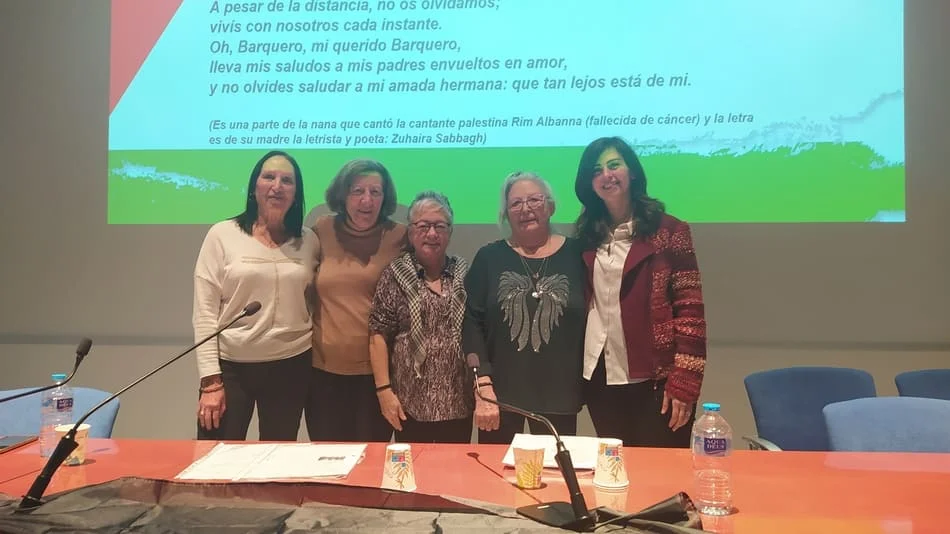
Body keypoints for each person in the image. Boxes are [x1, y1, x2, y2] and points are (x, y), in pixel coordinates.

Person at [574, 136, 707, 448]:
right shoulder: (586, 237)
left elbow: (691, 312)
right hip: (601, 379)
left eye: (614, 165)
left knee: (661, 480)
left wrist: (685, 382)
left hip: (657, 382)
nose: (606, 175)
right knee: (614, 474)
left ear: (631, 171)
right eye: (596, 170)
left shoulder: (670, 231)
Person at [193, 150, 318, 441]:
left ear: (296, 192)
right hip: (232, 369)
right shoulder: (222, 235)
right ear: (254, 186)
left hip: (291, 366)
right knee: (215, 461)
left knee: (277, 462)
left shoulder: (309, 240)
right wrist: (210, 382)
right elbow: (204, 313)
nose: (277, 186)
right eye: (269, 177)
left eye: (287, 180)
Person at [463, 171, 587, 445]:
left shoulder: (580, 255)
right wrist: (482, 386)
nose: (526, 209)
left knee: (555, 480)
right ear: (506, 214)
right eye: (516, 203)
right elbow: (472, 323)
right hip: (500, 399)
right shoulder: (489, 258)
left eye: (534, 200)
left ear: (551, 206)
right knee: (496, 481)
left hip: (560, 396)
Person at [306, 159, 407, 442]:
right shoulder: (322, 230)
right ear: (342, 194)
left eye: (376, 192)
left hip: (376, 377)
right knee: (327, 463)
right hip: (322, 374)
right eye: (357, 191)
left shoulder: (399, 236)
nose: (367, 200)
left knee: (370, 464)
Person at [368, 191, 473, 443]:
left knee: (454, 478)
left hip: (458, 402)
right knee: (413, 477)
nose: (432, 234)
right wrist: (384, 392)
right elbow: (377, 334)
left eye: (440, 226)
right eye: (423, 226)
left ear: (450, 231)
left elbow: (477, 332)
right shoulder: (395, 274)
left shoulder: (465, 272)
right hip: (410, 404)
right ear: (410, 231)